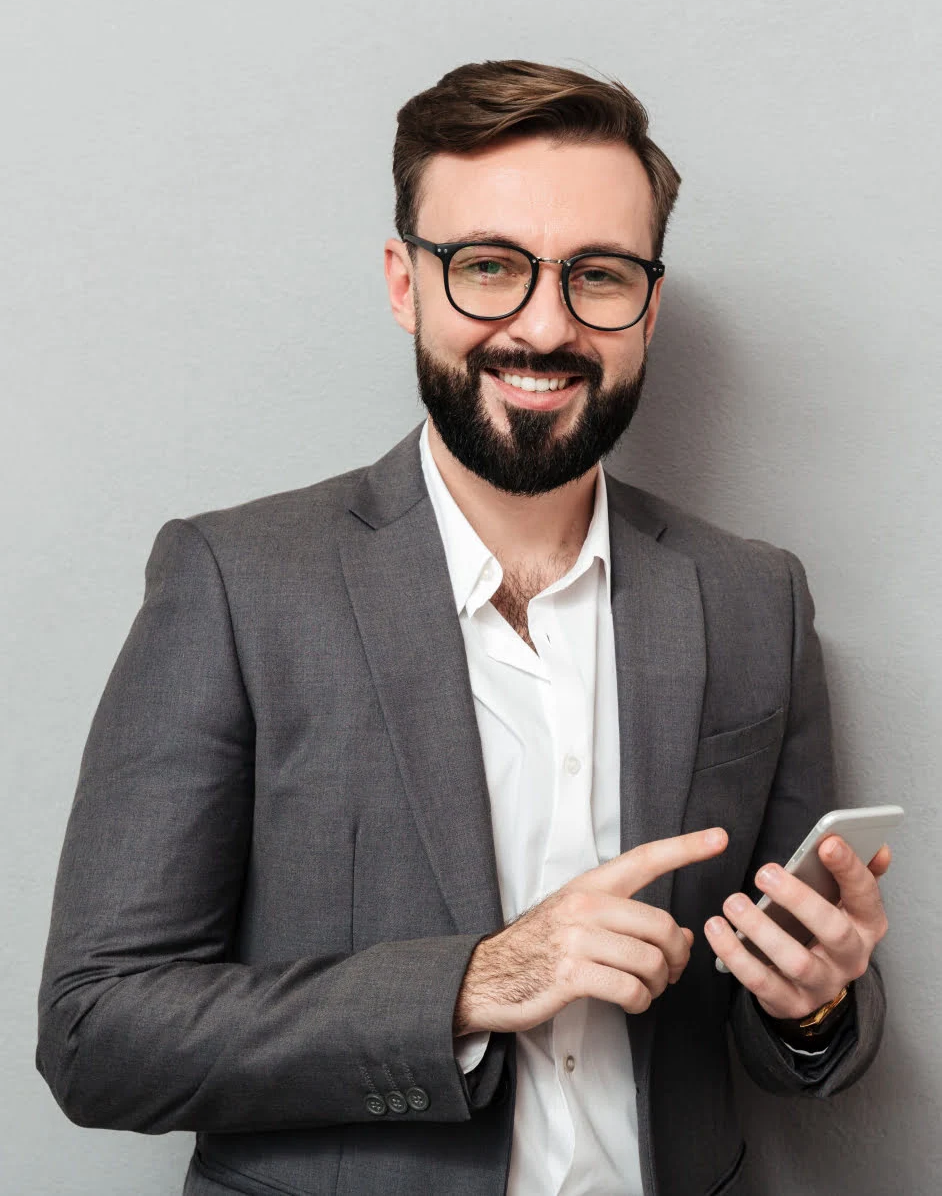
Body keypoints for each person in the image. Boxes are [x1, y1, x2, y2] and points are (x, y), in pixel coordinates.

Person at [36, 60, 892, 1196]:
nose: (543, 325)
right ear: (405, 282)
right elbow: (99, 1034)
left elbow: (765, 1021)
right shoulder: (235, 581)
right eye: (488, 266)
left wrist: (816, 998)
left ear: (650, 302)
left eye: (597, 274)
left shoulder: (754, 598)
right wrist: (474, 981)